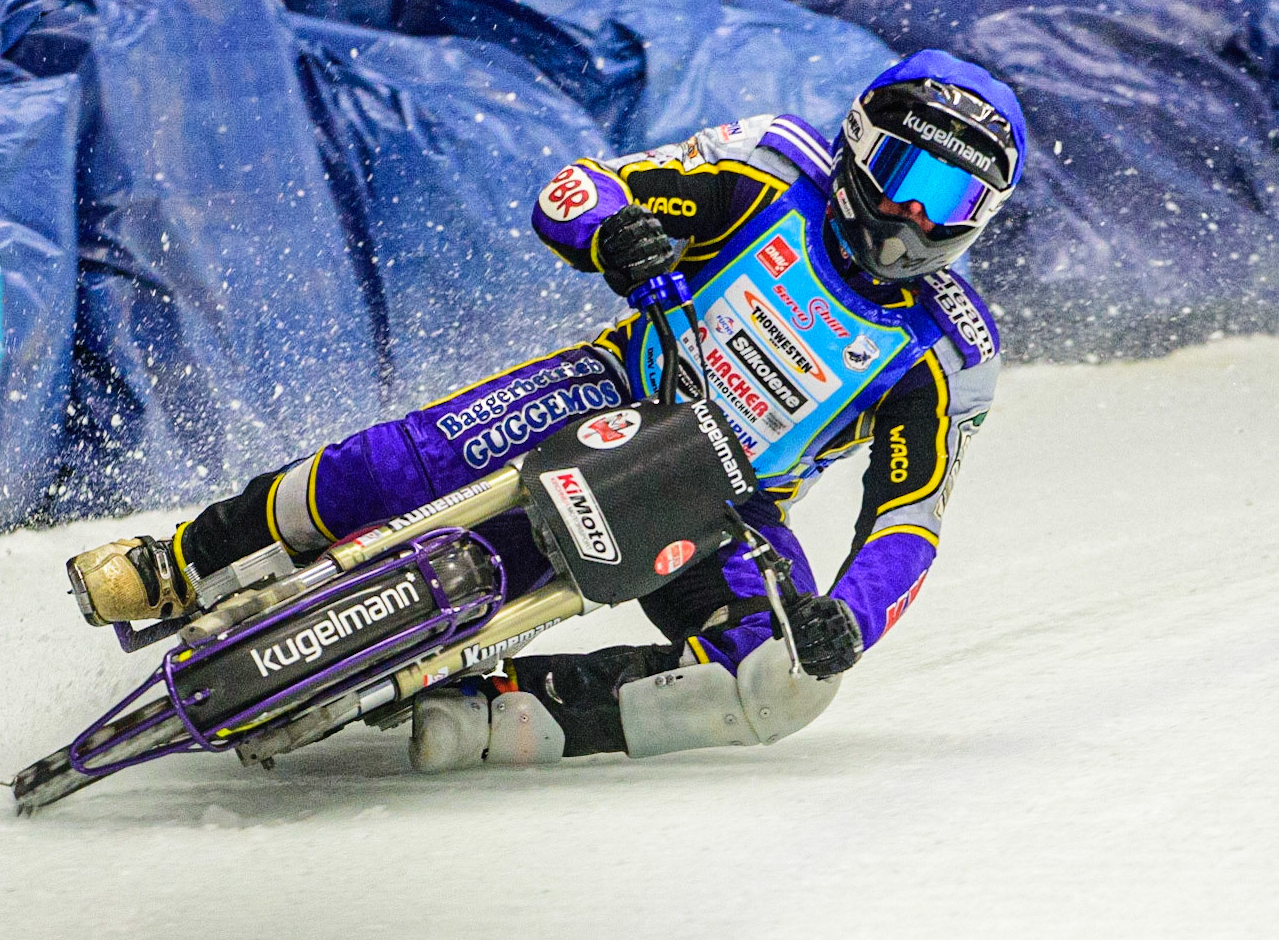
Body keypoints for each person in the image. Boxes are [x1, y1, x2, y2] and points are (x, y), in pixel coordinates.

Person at [67, 49, 1025, 771]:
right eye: (909, 180)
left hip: (729, 506)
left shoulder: (955, 353)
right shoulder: (769, 165)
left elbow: (911, 519)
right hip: (615, 388)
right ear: (861, 144)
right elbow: (580, 186)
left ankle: (498, 716)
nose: (914, 221)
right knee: (391, 470)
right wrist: (615, 234)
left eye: (951, 201)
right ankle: (183, 561)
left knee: (781, 687)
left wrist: (849, 621)